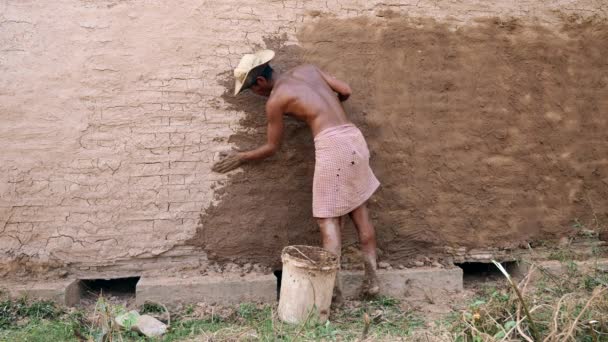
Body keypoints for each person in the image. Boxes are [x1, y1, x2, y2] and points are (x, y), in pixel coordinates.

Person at [213, 50, 381, 301]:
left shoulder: (276, 100)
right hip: (353, 137)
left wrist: (241, 157)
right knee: (360, 210)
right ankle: (373, 283)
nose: (256, 95)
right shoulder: (309, 70)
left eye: (252, 90)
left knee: (328, 219)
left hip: (332, 146)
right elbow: (345, 90)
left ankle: (331, 292)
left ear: (260, 83)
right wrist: (326, 106)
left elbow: (272, 147)